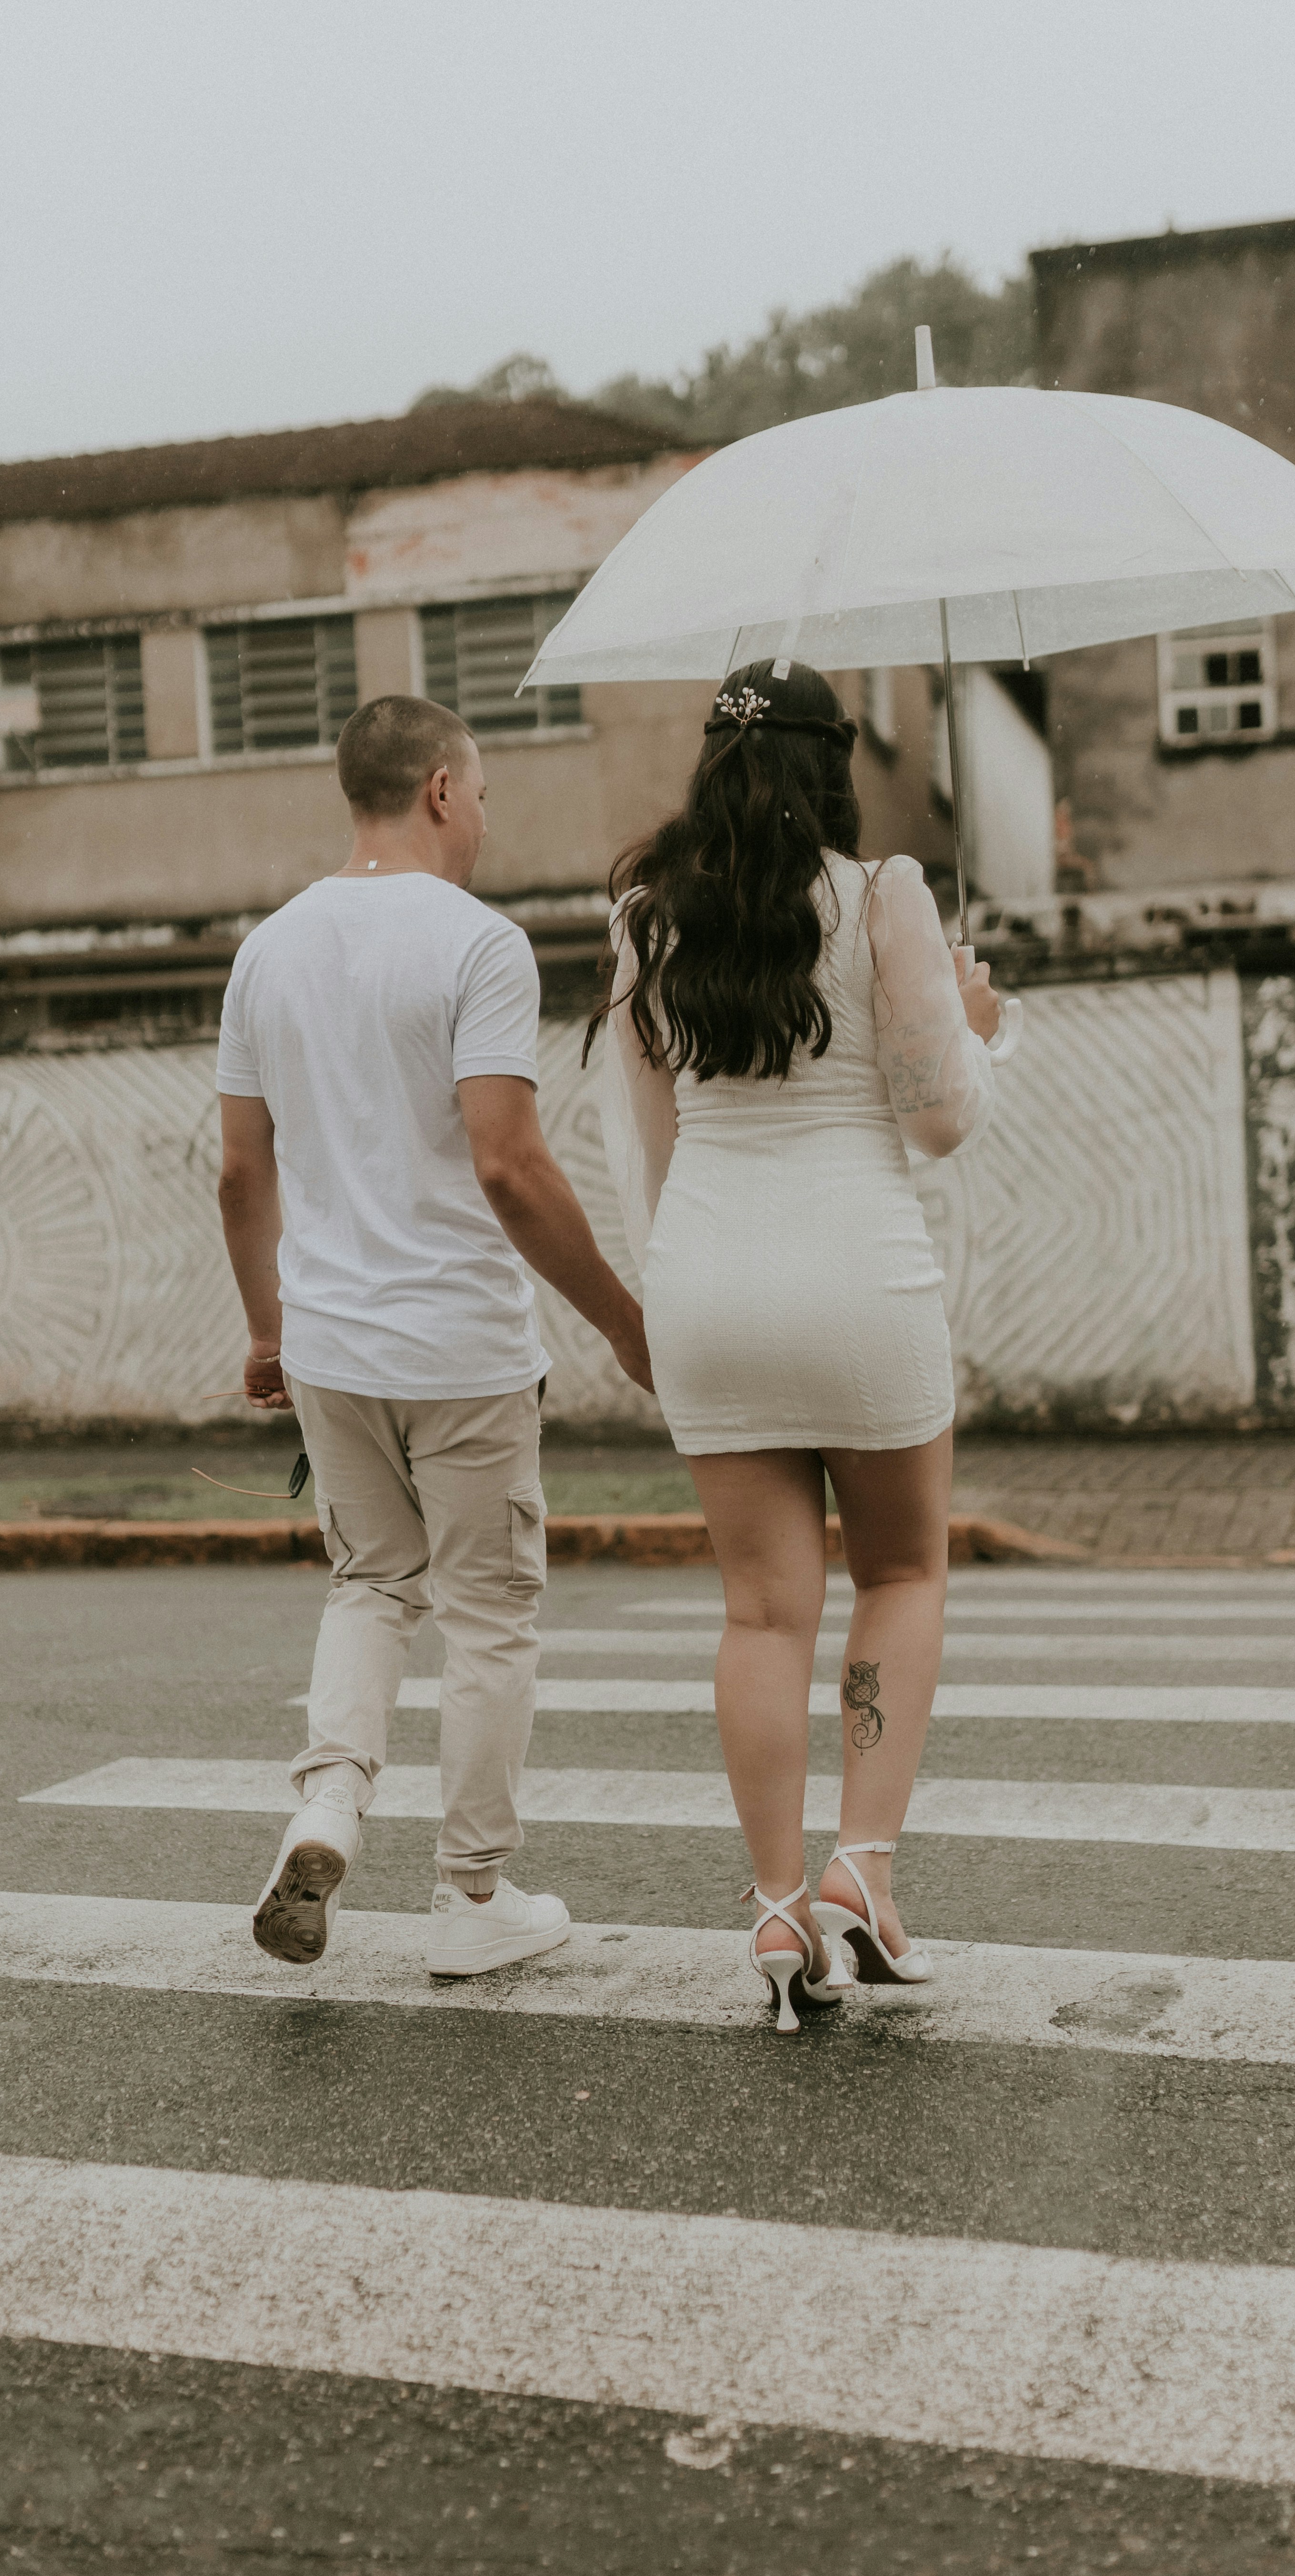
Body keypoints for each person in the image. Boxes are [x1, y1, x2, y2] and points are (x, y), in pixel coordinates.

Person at [593, 658, 1012, 2031]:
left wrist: (663, 1305)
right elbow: (939, 1118)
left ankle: (776, 1905)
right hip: (855, 1276)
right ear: (835, 768)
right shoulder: (886, 891)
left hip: (707, 1278)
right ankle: (861, 1876)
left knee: (761, 1613)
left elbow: (647, 1144)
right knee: (900, 1570)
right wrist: (979, 1025)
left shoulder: (650, 916)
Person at [217, 693, 654, 1979]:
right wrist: (627, 1326)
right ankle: (473, 1897)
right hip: (461, 1344)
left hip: (331, 1349)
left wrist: (266, 1326)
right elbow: (511, 1165)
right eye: (486, 792)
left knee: (370, 1583)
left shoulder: (268, 951)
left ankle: (329, 1804)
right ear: (444, 793)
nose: (487, 816)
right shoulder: (480, 944)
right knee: (489, 1612)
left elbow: (242, 1175)